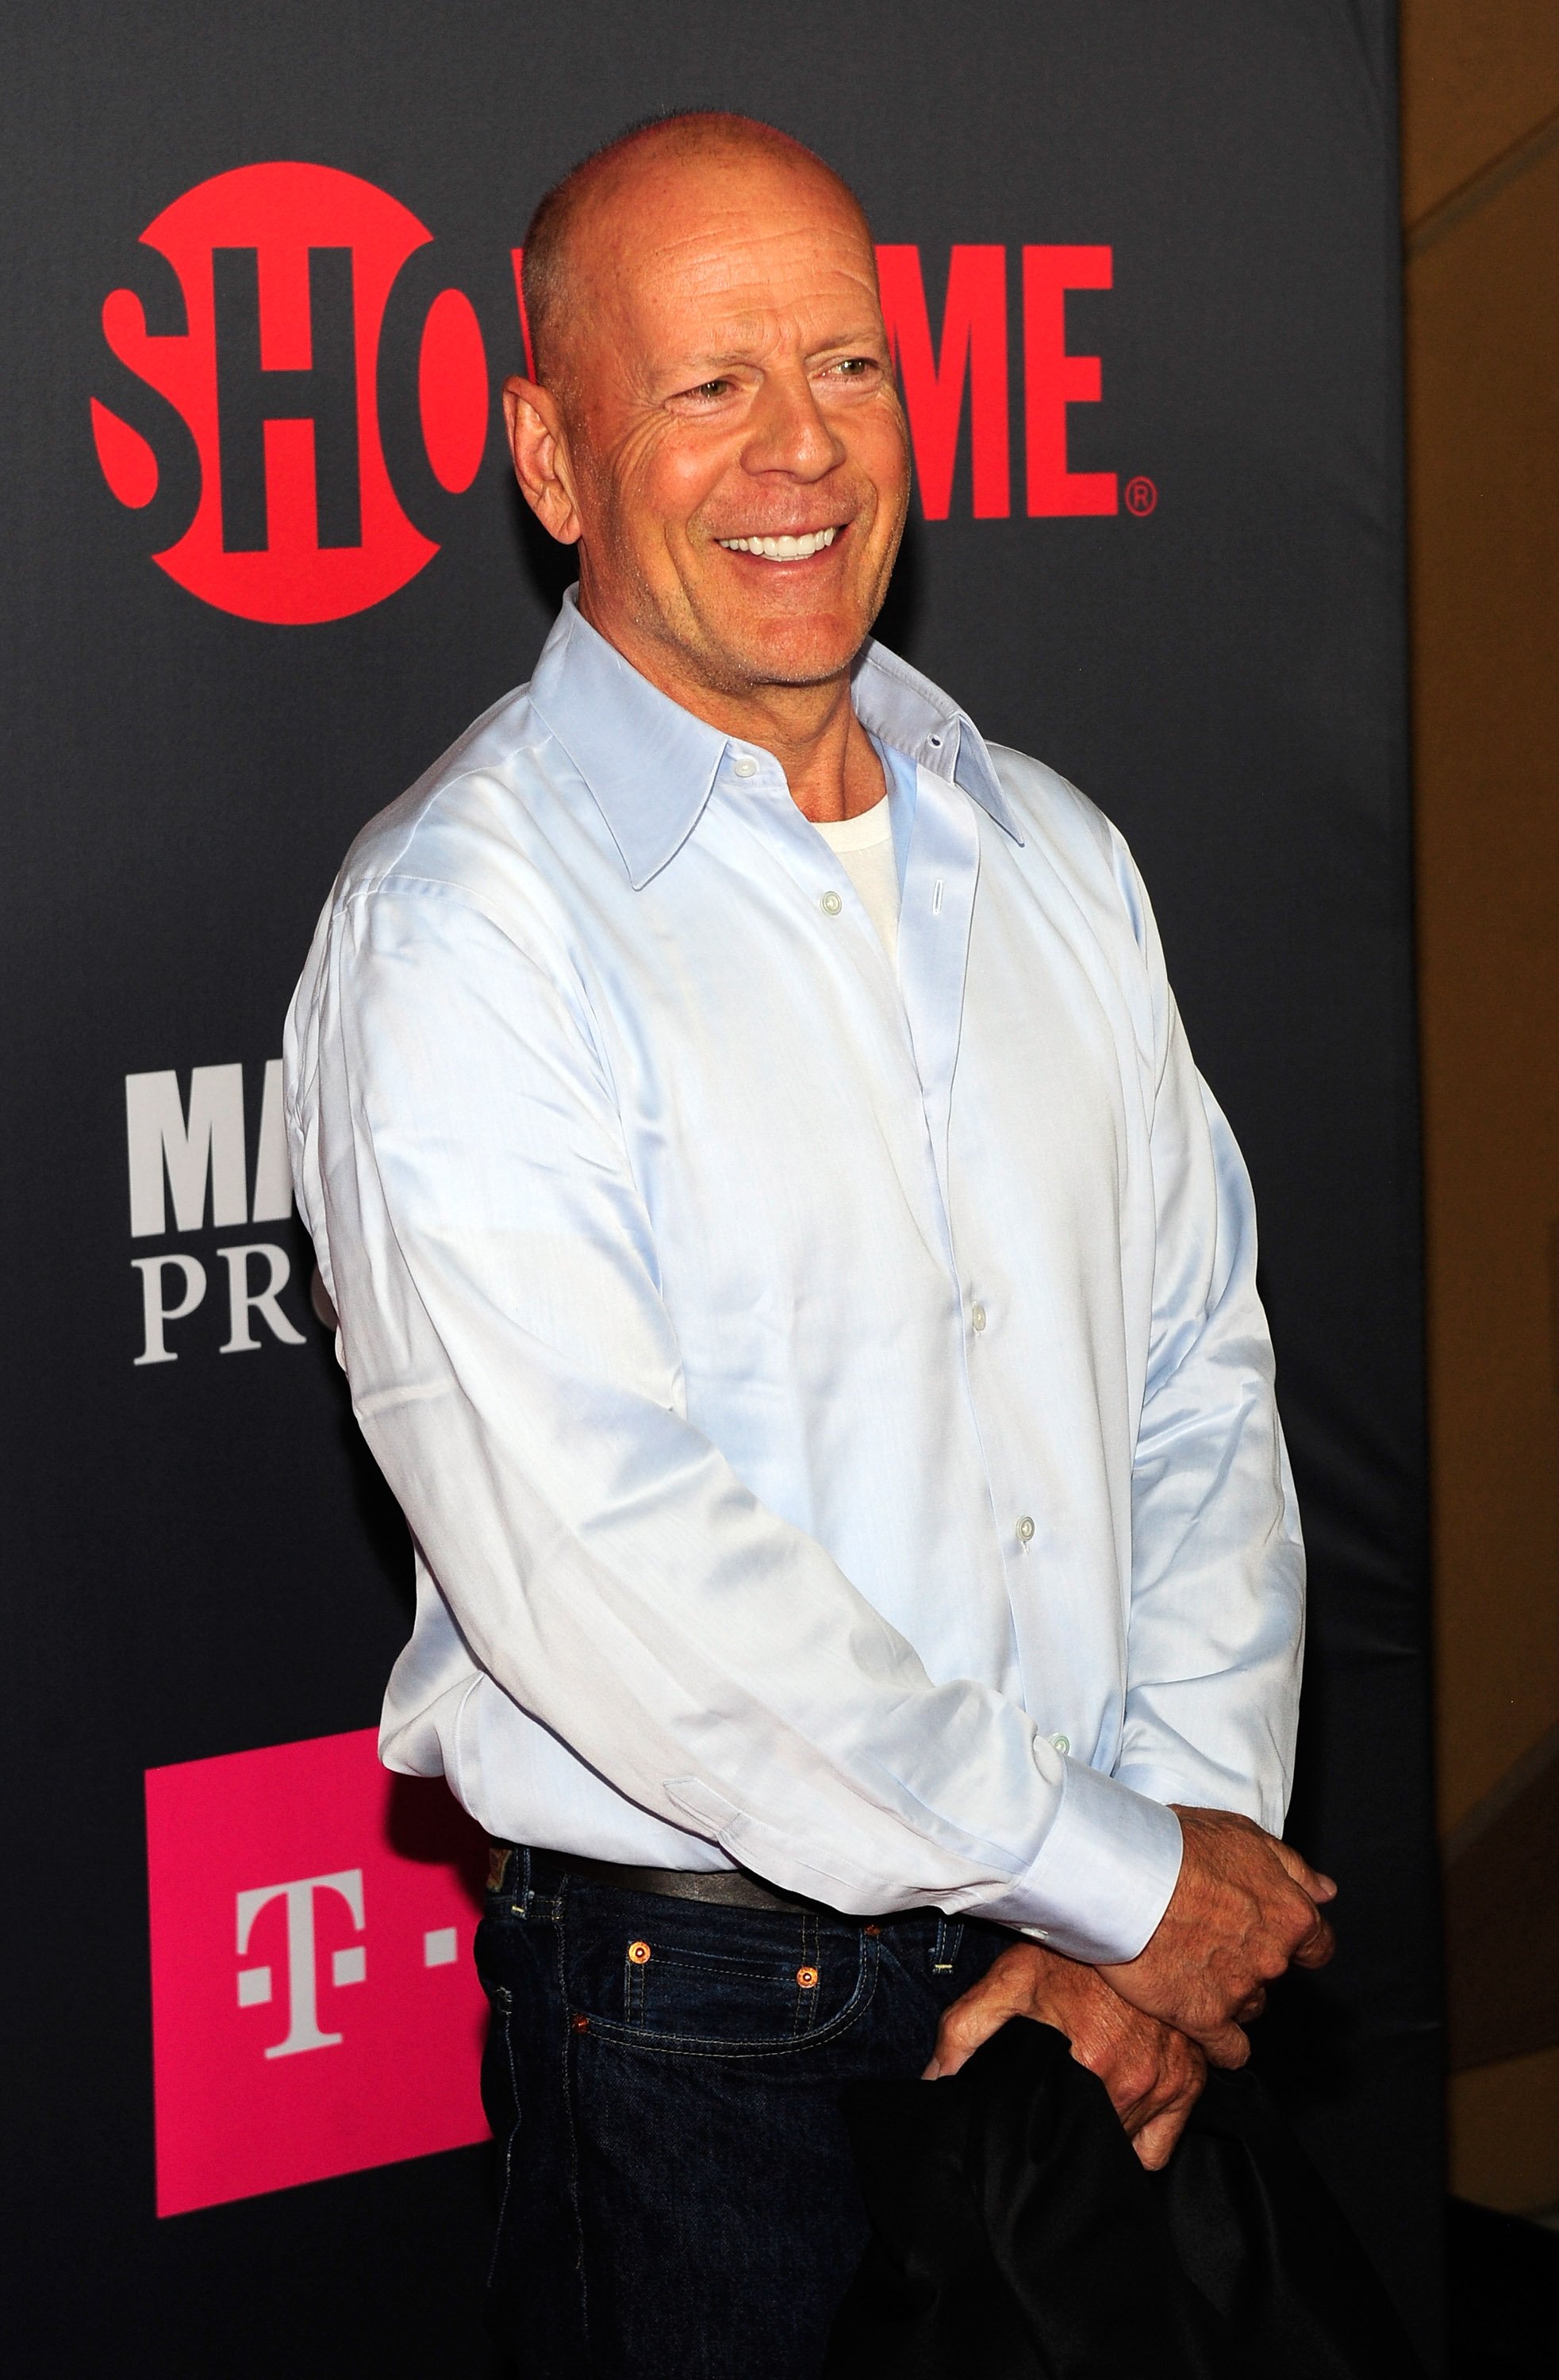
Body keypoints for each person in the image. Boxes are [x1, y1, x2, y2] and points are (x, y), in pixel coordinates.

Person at [285, 109, 1335, 2379]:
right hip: (710, 2054)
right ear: (553, 461)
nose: (803, 446)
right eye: (709, 384)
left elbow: (1197, 1377)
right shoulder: (462, 935)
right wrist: (1136, 1880)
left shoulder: (1051, 849)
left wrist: (1184, 1841)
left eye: (849, 366)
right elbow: (628, 1583)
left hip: (1091, 1995)